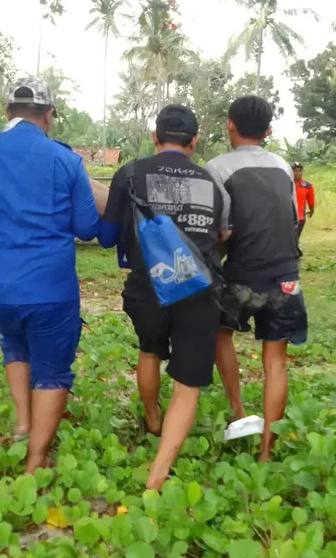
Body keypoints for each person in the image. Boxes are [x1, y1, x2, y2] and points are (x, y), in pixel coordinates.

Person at [0, 75, 105, 474]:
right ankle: (36, 460)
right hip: (48, 286)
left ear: (7, 113)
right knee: (53, 369)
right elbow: (87, 227)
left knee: (14, 344)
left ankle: (23, 424)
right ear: (49, 116)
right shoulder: (66, 160)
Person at [97, 105, 230, 490]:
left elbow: (106, 238)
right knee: (188, 382)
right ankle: (156, 477)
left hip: (147, 288)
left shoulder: (130, 174)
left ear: (155, 138)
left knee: (149, 351)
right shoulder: (211, 180)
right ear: (194, 141)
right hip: (198, 292)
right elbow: (222, 237)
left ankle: (153, 419)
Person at [206, 96, 309, 463]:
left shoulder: (216, 168)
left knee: (219, 332)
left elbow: (223, 231)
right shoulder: (283, 166)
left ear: (229, 124)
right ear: (268, 131)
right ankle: (267, 450)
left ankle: (238, 412)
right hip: (286, 274)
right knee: (275, 361)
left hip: (242, 272)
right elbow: (295, 218)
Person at [292, 162, 315, 256]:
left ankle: (295, 254)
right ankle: (296, 253)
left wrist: (312, 210)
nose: (297, 173)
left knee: (295, 237)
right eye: (295, 171)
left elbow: (311, 200)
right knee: (290, 238)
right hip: (287, 216)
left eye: (299, 171)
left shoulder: (307, 186)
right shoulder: (285, 183)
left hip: (300, 217)